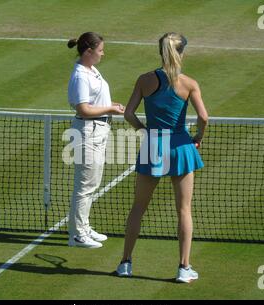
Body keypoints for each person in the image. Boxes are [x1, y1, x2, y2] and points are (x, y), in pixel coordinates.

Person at [116, 32, 208, 282]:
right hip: (180, 147)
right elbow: (204, 117)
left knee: (138, 207)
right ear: (182, 53)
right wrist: (198, 137)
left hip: (153, 146)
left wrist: (144, 131)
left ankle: (125, 263)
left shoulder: (144, 80)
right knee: (184, 210)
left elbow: (129, 114)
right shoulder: (189, 83)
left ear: (161, 52)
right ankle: (183, 268)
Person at [67, 32, 125, 249]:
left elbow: (94, 101)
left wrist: (111, 105)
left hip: (99, 129)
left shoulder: (92, 70)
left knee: (92, 183)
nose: (103, 53)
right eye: (100, 50)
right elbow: (83, 108)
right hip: (87, 132)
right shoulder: (81, 75)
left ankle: (84, 227)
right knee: (84, 186)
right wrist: (110, 108)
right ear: (89, 52)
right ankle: (77, 235)